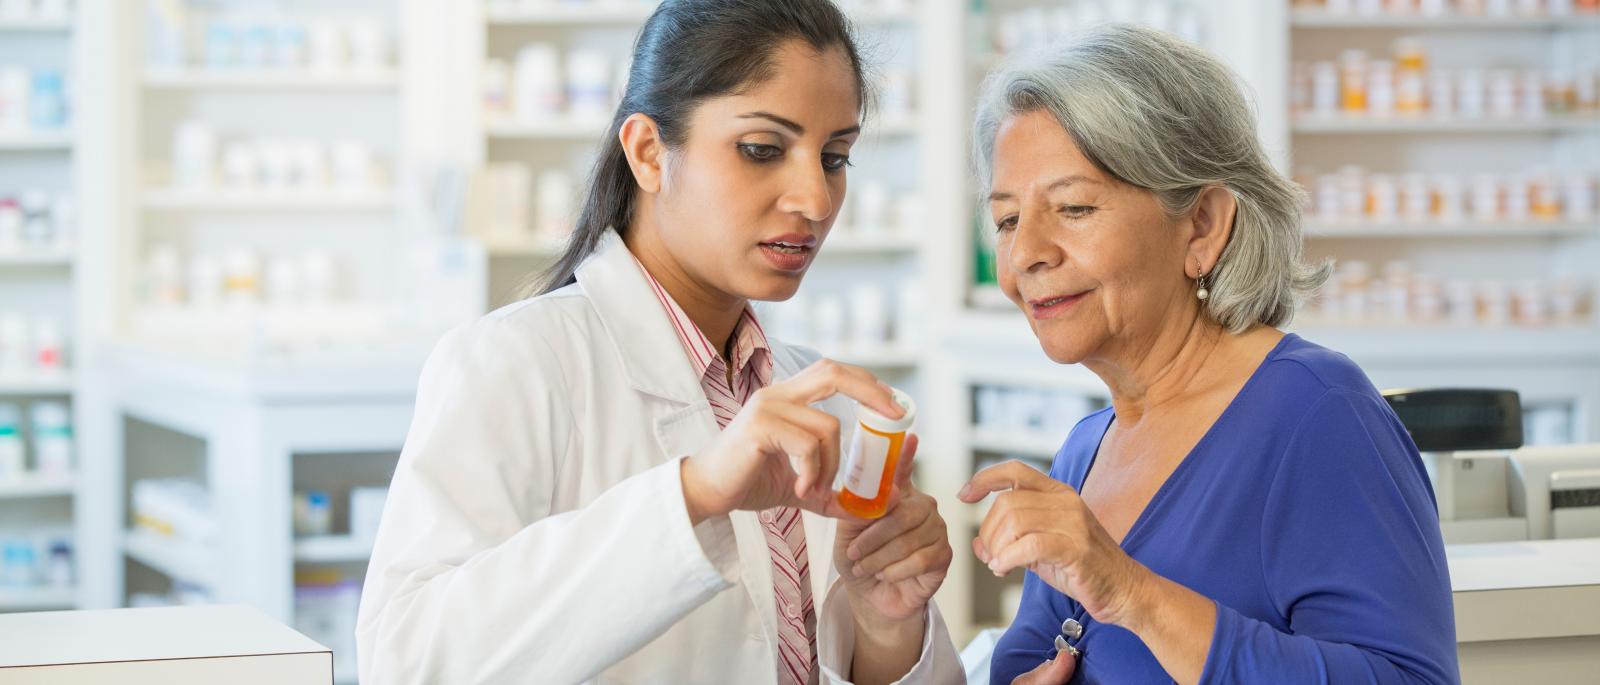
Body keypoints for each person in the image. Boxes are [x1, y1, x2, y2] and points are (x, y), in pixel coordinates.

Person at [356, 1, 961, 683]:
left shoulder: (818, 404)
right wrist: (694, 493)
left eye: (835, 157)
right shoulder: (515, 363)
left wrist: (888, 626)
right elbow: (407, 660)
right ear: (648, 151)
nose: (815, 200)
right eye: (763, 149)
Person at [960, 24, 1458, 685]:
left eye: (1074, 207)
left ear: (1201, 226)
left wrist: (1132, 593)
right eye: (1006, 219)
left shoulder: (1318, 415)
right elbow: (1034, 657)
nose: (1025, 254)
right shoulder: (1086, 450)